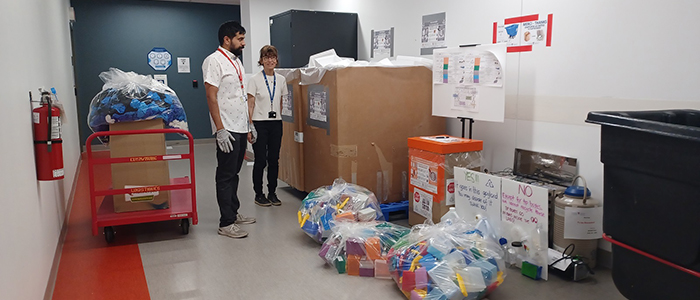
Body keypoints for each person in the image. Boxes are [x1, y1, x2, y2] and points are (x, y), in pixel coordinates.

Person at [202, 20, 256, 238]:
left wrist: (249, 124)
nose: (243, 43)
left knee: (235, 173)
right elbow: (210, 95)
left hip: (240, 126)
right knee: (225, 175)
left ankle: (233, 213)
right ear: (227, 39)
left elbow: (240, 96)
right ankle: (225, 223)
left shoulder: (236, 62)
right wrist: (220, 129)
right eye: (240, 39)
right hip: (227, 127)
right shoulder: (214, 61)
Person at [246, 45, 288, 207]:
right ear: (261, 61)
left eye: (272, 57)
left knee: (274, 160)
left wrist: (278, 116)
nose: (270, 60)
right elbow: (250, 104)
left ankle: (272, 192)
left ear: (276, 60)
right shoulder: (254, 80)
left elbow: (280, 102)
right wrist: (250, 127)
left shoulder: (281, 80)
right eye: (266, 57)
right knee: (260, 160)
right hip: (259, 123)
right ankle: (259, 193)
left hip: (276, 124)